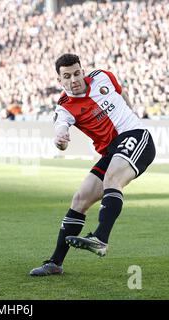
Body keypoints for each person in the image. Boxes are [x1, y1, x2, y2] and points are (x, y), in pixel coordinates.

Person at [30, 53, 155, 276]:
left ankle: (100, 238)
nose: (74, 79)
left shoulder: (102, 77)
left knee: (112, 179)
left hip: (135, 136)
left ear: (83, 70)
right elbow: (61, 129)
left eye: (77, 73)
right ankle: (55, 263)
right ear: (60, 80)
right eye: (67, 76)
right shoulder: (65, 107)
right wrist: (60, 140)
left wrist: (131, 115)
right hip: (111, 151)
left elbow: (121, 93)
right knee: (80, 198)